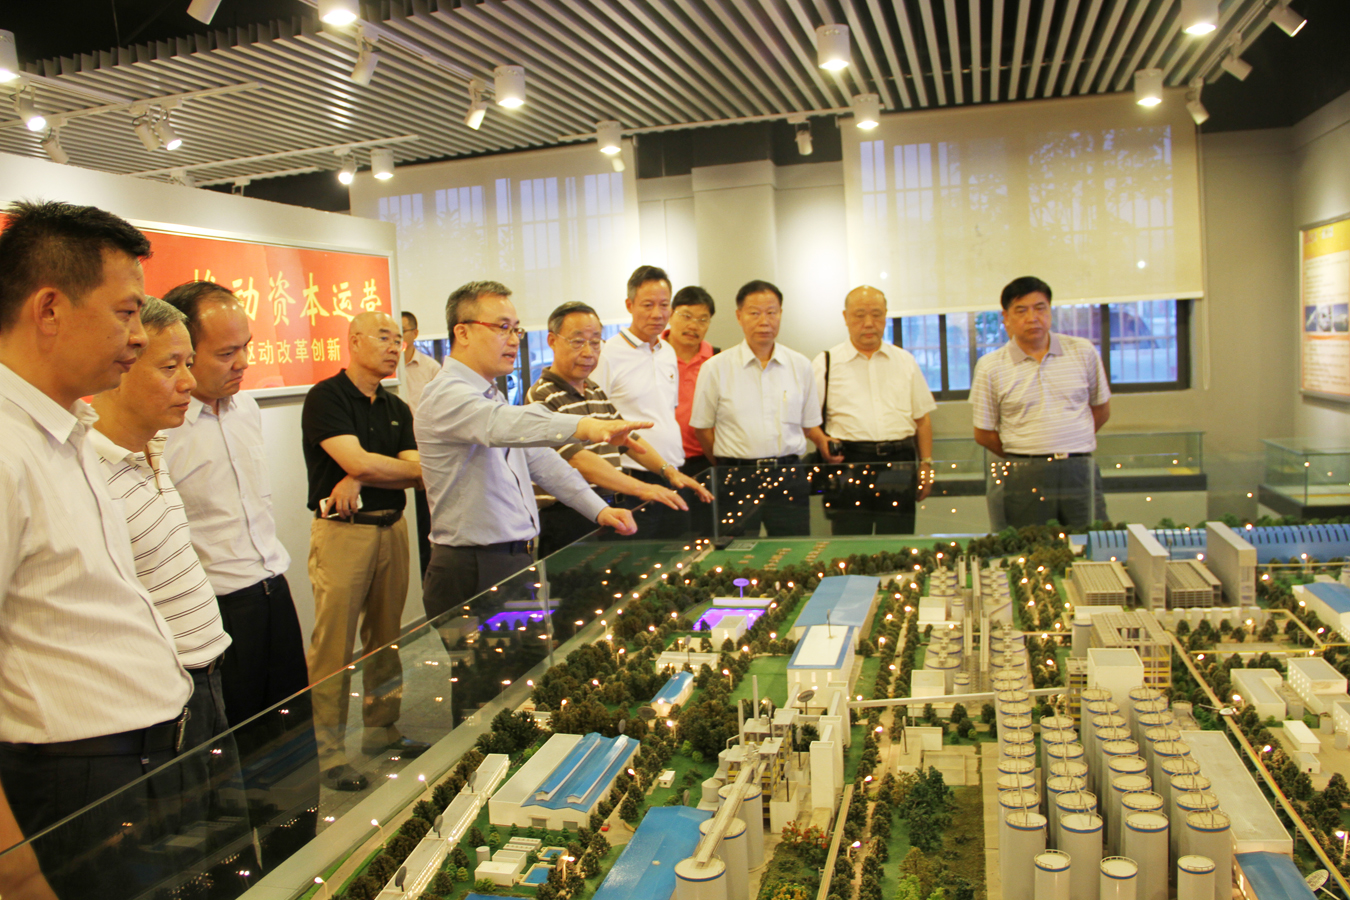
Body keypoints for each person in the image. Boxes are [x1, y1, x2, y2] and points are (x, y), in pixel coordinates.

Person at [0, 200, 192, 900]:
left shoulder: (70, 429)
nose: (138, 337)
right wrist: (16, 870)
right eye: (125, 313)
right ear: (50, 309)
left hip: (135, 763)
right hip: (73, 776)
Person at [88, 295, 247, 849]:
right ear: (120, 367)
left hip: (208, 679)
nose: (188, 382)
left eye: (189, 363)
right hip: (161, 707)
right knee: (185, 854)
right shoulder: (89, 473)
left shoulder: (154, 447)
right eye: (169, 366)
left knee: (229, 845)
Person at [416, 280, 647, 627]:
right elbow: (501, 423)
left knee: (527, 658)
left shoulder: (489, 393)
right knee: (488, 663)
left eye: (516, 329)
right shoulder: (446, 394)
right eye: (502, 328)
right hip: (473, 566)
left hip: (512, 559)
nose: (513, 340)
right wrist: (584, 426)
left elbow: (541, 461)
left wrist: (598, 509)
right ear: (462, 332)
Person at [162, 283, 311, 729]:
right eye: (227, 353)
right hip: (217, 606)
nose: (243, 362)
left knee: (292, 726)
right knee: (238, 736)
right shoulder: (163, 429)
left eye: (246, 347)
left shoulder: (245, 408)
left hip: (273, 589)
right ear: (185, 353)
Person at [301, 311, 428, 791]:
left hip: (392, 528)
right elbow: (361, 458)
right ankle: (329, 753)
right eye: (384, 338)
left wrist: (358, 475)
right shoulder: (326, 397)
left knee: (387, 637)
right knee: (333, 647)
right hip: (343, 533)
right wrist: (364, 467)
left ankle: (382, 729)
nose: (395, 347)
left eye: (399, 339)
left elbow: (419, 470)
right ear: (354, 341)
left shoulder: (396, 406)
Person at [526, 301, 712, 557]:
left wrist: (668, 472)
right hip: (570, 515)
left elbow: (628, 439)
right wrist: (642, 488)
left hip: (609, 511)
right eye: (577, 342)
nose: (588, 352)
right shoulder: (540, 395)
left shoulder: (593, 389)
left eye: (595, 342)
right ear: (552, 341)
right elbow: (576, 458)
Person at [690, 280, 841, 536]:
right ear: (739, 316)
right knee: (736, 551)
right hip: (736, 477)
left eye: (771, 312)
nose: (764, 321)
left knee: (793, 549)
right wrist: (728, 463)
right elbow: (703, 430)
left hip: (789, 476)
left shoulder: (800, 365)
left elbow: (808, 425)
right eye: (755, 313)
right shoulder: (715, 368)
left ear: (780, 314)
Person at [969, 275, 1111, 530]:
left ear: (1050, 311)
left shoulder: (1083, 351)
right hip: (1023, 473)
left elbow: (1101, 410)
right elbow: (983, 433)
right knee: (1029, 544)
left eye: (1040, 308)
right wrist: (1025, 452)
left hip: (1079, 468)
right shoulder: (991, 366)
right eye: (1021, 310)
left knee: (1090, 539)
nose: (1032, 317)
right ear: (1006, 317)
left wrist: (1071, 441)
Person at [813, 285, 937, 535]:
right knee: (850, 542)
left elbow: (922, 420)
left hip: (899, 463)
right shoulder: (826, 362)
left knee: (897, 542)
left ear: (886, 316)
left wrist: (926, 465)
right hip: (849, 463)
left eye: (877, 314)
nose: (869, 323)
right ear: (845, 317)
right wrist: (822, 442)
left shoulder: (904, 360)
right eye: (859, 315)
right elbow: (808, 421)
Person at [591, 265, 689, 535]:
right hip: (633, 478)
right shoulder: (608, 353)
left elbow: (668, 411)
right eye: (648, 305)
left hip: (674, 472)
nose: (657, 314)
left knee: (678, 552)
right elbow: (596, 421)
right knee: (641, 555)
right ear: (629, 305)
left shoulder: (668, 351)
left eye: (664, 305)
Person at [400, 311, 441, 577]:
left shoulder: (430, 368)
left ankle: (425, 574)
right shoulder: (387, 369)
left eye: (402, 331)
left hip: (422, 450)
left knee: (423, 520)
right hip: (395, 450)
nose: (397, 339)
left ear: (415, 333)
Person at [663, 286, 719, 477]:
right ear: (671, 315)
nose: (694, 326)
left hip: (704, 460)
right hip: (659, 461)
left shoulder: (717, 360)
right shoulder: (652, 354)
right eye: (686, 316)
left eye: (702, 320)